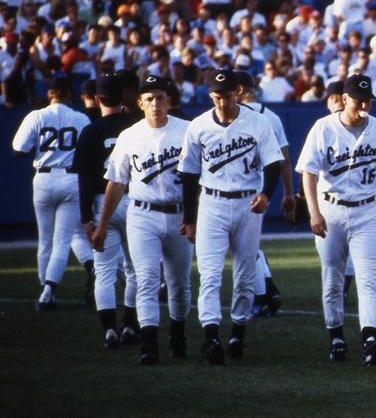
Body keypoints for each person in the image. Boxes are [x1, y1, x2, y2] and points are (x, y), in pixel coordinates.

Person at [178, 68, 284, 365]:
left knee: (245, 275)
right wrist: (189, 217)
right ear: (210, 95)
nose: (221, 102)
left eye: (226, 95)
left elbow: (273, 161)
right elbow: (188, 174)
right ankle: (211, 336)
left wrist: (267, 194)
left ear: (237, 92)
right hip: (211, 202)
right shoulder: (198, 126)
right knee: (209, 274)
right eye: (216, 96)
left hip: (248, 202)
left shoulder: (257, 122)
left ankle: (238, 331)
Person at [296, 75, 376, 364]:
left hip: (367, 210)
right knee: (332, 277)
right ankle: (337, 336)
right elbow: (308, 172)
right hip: (331, 209)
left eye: (368, 99)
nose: (365, 104)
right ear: (344, 99)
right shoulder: (324, 128)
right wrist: (314, 212)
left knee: (367, 277)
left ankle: (369, 338)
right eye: (359, 99)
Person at [98, 75, 194, 364]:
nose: (156, 103)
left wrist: (194, 216)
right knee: (147, 279)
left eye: (161, 97)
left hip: (179, 213)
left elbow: (198, 179)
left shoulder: (188, 131)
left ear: (170, 100)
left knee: (179, 283)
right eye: (149, 98)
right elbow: (115, 183)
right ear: (139, 103)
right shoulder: (129, 136)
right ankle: (149, 344)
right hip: (142, 213)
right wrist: (102, 224)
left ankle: (177, 336)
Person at [12, 75, 94, 310]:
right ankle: (49, 289)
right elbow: (88, 153)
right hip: (70, 177)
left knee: (45, 240)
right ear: (69, 94)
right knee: (62, 239)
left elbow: (19, 149)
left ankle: (46, 291)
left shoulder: (36, 115)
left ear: (50, 94)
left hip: (44, 177)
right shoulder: (80, 118)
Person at [74, 72, 139, 349]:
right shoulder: (137, 125)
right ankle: (130, 324)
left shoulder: (90, 131)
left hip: (103, 203)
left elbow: (85, 178)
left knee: (104, 271)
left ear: (98, 98)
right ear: (123, 95)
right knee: (136, 270)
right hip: (135, 201)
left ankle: (109, 329)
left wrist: (87, 218)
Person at [236, 71, 295, 317]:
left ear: (238, 90)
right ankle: (267, 289)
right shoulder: (271, 116)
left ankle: (263, 296)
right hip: (265, 187)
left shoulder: (233, 117)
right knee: (251, 245)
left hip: (243, 187)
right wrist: (288, 193)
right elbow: (284, 161)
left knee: (247, 248)